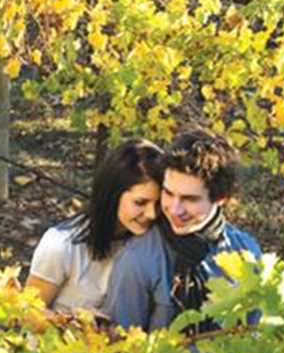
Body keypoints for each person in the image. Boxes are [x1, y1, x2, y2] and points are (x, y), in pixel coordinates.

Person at [101, 129, 262, 334]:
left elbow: (252, 334)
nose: (174, 209)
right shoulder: (138, 259)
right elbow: (120, 344)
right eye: (168, 193)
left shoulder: (246, 252)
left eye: (190, 199)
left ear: (221, 198)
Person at [25, 138, 165, 313]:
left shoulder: (155, 243)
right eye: (140, 202)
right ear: (113, 194)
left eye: (158, 203)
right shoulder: (60, 246)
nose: (152, 214)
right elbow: (29, 314)